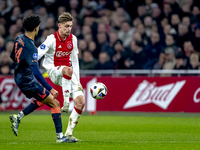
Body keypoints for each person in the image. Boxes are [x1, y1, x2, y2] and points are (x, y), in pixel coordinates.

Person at [9, 14, 76, 143]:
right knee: (55, 103)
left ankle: (18, 117)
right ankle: (60, 137)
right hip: (27, 80)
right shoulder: (32, 48)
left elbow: (13, 56)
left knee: (45, 99)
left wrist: (22, 67)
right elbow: (36, 72)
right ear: (36, 28)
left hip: (18, 76)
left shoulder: (19, 38)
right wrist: (50, 88)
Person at [37, 12, 85, 141]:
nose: (69, 29)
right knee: (67, 70)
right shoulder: (51, 39)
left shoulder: (73, 39)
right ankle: (65, 102)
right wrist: (29, 61)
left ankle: (68, 133)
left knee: (80, 103)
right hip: (54, 70)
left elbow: (75, 60)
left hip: (68, 72)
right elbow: (38, 53)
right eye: (66, 26)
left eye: (70, 26)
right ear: (59, 25)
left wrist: (78, 79)